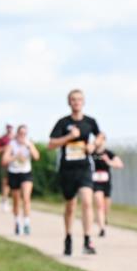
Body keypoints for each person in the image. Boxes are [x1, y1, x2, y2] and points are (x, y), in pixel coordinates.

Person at [47, 89, 100, 256]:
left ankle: (87, 240)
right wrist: (69, 137)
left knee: (87, 201)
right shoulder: (63, 122)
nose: (76, 102)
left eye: (79, 99)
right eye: (73, 99)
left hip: (84, 168)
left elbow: (101, 137)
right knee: (70, 206)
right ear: (69, 102)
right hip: (67, 169)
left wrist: (93, 145)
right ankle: (68, 237)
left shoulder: (90, 122)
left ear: (83, 102)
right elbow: (51, 144)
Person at [1, 124, 40, 235]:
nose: (22, 135)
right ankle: (17, 222)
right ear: (17, 134)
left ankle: (27, 223)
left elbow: (37, 157)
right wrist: (15, 156)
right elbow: (4, 160)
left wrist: (29, 147)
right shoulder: (11, 144)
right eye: (21, 133)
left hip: (26, 173)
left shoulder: (29, 143)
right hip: (13, 173)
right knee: (16, 201)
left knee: (26, 198)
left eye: (25, 134)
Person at [91, 132, 123, 237]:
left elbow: (120, 164)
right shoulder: (91, 153)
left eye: (101, 139)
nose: (98, 141)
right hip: (95, 182)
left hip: (106, 182)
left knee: (106, 206)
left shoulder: (108, 153)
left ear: (104, 140)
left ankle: (104, 218)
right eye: (97, 138)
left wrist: (108, 161)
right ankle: (102, 229)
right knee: (99, 204)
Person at [0, 124, 15, 212]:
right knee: (6, 183)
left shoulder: (16, 138)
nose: (9, 129)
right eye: (8, 128)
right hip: (5, 164)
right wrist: (4, 148)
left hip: (16, 164)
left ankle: (14, 202)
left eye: (11, 127)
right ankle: (4, 201)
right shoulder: (2, 139)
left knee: (15, 184)